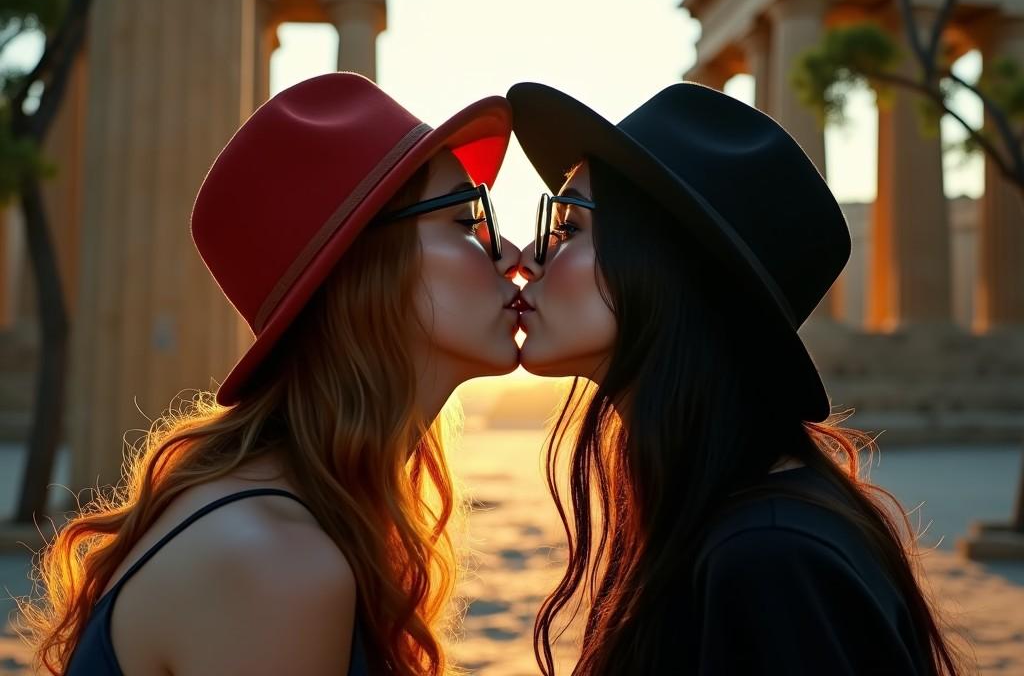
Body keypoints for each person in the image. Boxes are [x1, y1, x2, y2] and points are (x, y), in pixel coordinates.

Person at [18, 72, 522, 676]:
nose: (514, 254)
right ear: (363, 269)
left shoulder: (295, 516)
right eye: (469, 222)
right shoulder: (272, 563)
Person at [507, 80, 970, 675]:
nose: (526, 257)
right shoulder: (713, 516)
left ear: (668, 265)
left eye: (567, 228)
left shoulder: (771, 558)